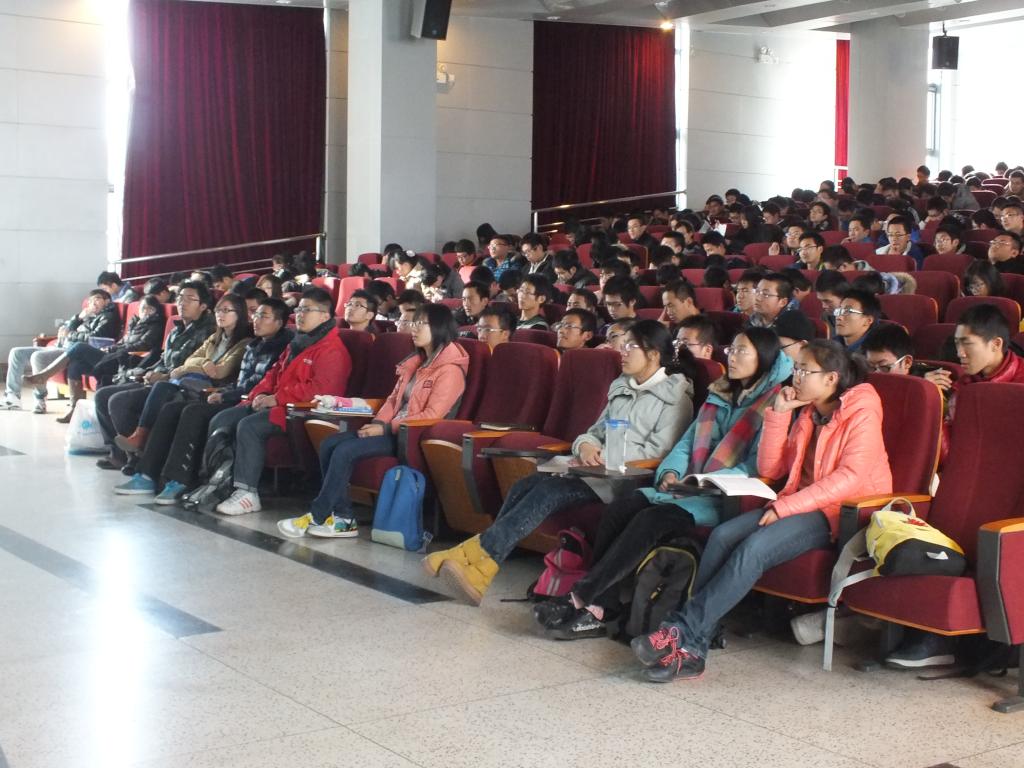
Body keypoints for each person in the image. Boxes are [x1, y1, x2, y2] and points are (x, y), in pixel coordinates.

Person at [632, 340, 891, 681]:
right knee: (722, 536)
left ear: (831, 378)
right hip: (799, 502)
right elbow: (772, 467)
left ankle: (682, 632)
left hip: (840, 512)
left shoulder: (863, 410)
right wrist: (779, 415)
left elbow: (849, 478)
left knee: (753, 549)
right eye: (796, 369)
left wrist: (785, 508)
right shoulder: (808, 411)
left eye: (805, 371)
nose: (796, 377)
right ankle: (692, 648)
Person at [536, 329, 792, 639]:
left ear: (763, 358)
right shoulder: (721, 393)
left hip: (721, 497)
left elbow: (756, 465)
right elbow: (686, 443)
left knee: (650, 519)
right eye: (731, 350)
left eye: (741, 351)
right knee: (620, 509)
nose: (731, 357)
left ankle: (583, 597)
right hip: (685, 487)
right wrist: (670, 472)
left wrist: (706, 482)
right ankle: (602, 605)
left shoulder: (774, 404)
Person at [423, 320, 696, 605]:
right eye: (623, 345)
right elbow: (594, 432)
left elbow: (660, 451)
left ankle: (476, 558)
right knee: (523, 486)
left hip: (622, 480)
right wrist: (586, 446)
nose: (622, 352)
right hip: (590, 469)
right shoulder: (622, 387)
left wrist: (606, 456)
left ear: (653, 355)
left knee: (548, 491)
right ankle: (481, 567)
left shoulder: (675, 399)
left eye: (631, 346)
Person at [278, 304, 468, 538]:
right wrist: (378, 423)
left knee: (345, 451)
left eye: (422, 324)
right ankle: (344, 518)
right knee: (329, 443)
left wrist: (385, 428)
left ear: (439, 327)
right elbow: (393, 400)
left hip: (411, 437)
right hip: (391, 429)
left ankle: (318, 514)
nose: (414, 328)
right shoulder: (416, 362)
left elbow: (433, 415)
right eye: (414, 322)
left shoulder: (450, 370)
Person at [121, 298, 295, 505]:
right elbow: (241, 382)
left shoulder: (279, 348)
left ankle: (181, 480)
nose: (256, 320)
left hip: (248, 401)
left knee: (193, 412)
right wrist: (223, 390)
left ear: (279, 322)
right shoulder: (254, 345)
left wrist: (225, 395)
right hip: (235, 395)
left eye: (263, 316)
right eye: (256, 315)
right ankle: (148, 474)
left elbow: (255, 385)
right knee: (171, 409)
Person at [208, 287, 352, 515]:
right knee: (223, 418)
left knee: (249, 426)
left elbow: (320, 391)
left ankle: (247, 493)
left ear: (325, 316)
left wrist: (276, 398)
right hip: (276, 405)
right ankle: (216, 481)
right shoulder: (297, 343)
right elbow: (272, 374)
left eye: (307, 310)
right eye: (299, 309)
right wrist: (258, 395)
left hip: (301, 413)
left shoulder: (332, 350)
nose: (300, 315)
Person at [112, 293, 255, 493]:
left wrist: (196, 366)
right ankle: (143, 464)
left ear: (239, 314)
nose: (220, 315)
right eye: (218, 310)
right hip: (193, 384)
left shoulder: (244, 342)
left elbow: (221, 371)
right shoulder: (214, 338)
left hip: (213, 390)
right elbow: (190, 360)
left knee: (174, 404)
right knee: (160, 394)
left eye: (226, 310)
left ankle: (157, 464)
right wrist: (205, 363)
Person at [93, 281, 216, 471]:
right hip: (159, 380)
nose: (182, 302)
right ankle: (119, 454)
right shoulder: (176, 330)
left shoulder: (208, 332)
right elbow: (164, 359)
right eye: (180, 298)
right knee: (102, 395)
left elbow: (191, 365)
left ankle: (137, 457)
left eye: (190, 299)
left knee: (118, 401)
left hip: (177, 385)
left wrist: (163, 375)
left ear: (203, 306)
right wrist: (150, 371)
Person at [26, 294, 167, 422]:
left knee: (79, 347)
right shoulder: (135, 323)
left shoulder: (155, 325)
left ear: (155, 311)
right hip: (115, 356)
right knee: (76, 365)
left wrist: (112, 349)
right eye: (143, 308)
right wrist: (111, 347)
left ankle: (44, 375)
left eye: (149, 309)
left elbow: (143, 345)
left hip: (126, 362)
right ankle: (75, 410)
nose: (145, 311)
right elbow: (122, 343)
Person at [7, 289, 121, 414]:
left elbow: (94, 337)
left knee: (37, 356)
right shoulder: (88, 316)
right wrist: (79, 318)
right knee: (16, 352)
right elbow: (68, 329)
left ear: (107, 301)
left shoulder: (107, 316)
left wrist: (70, 334)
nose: (93, 303)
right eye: (90, 301)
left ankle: (40, 399)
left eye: (97, 299)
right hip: (61, 346)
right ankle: (12, 397)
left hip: (73, 351)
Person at [833, 288, 880, 354]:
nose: (839, 317)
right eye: (839, 310)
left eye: (848, 311)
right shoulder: (832, 345)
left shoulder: (873, 353)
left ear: (868, 321)